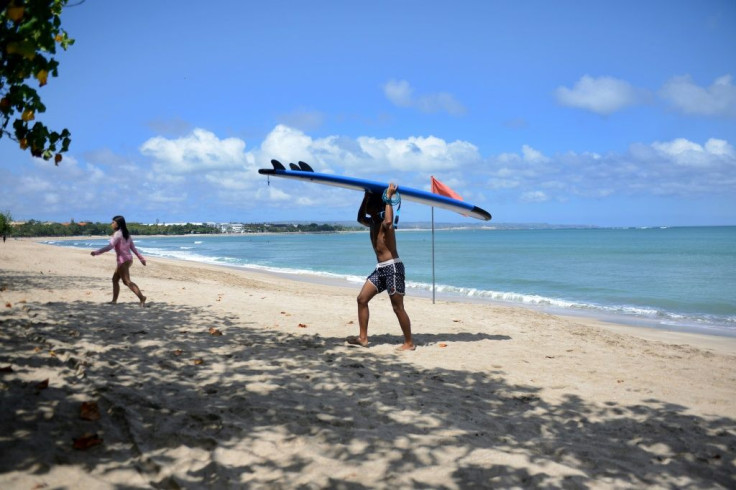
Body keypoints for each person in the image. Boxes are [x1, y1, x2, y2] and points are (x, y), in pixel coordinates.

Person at [350, 183, 414, 351]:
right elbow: (359, 218)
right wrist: (365, 197)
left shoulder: (386, 225)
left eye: (370, 203)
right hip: (381, 269)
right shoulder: (372, 222)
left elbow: (389, 220)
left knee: (397, 307)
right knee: (361, 299)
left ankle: (409, 342)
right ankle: (363, 338)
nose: (367, 207)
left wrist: (389, 197)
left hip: (393, 268)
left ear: (377, 205)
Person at [90, 215, 147, 306]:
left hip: (123, 260)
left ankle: (142, 298)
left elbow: (109, 247)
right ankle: (114, 301)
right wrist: (141, 258)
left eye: (113, 222)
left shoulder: (117, 234)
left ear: (118, 224)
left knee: (127, 281)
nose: (111, 224)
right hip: (128, 260)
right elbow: (133, 248)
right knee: (115, 279)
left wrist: (97, 252)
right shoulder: (126, 234)